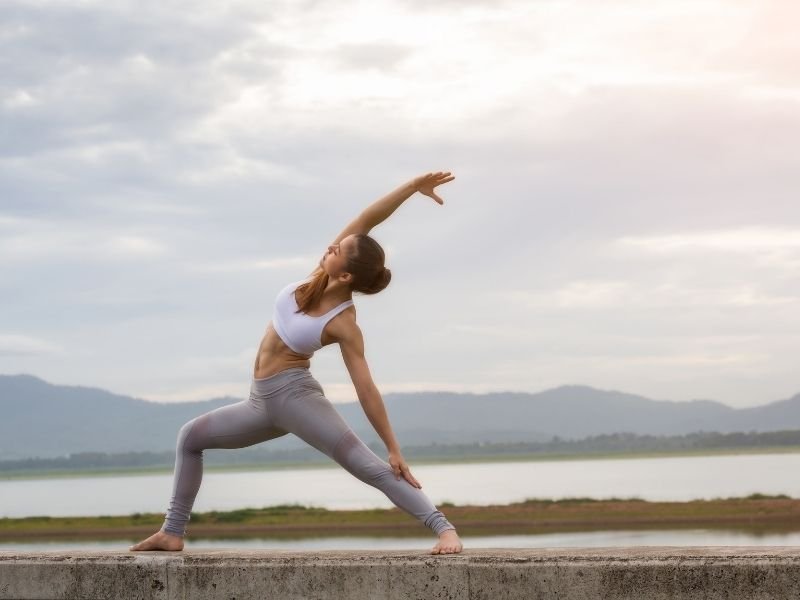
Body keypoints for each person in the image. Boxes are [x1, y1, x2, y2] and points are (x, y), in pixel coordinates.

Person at [129, 171, 463, 555]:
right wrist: (410, 188)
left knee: (367, 466)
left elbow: (365, 388)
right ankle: (172, 533)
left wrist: (393, 447)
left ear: (347, 274)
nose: (331, 247)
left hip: (296, 399)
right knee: (190, 438)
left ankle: (444, 529)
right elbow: (368, 219)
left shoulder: (343, 323)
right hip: (259, 403)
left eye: (338, 250)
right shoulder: (316, 277)